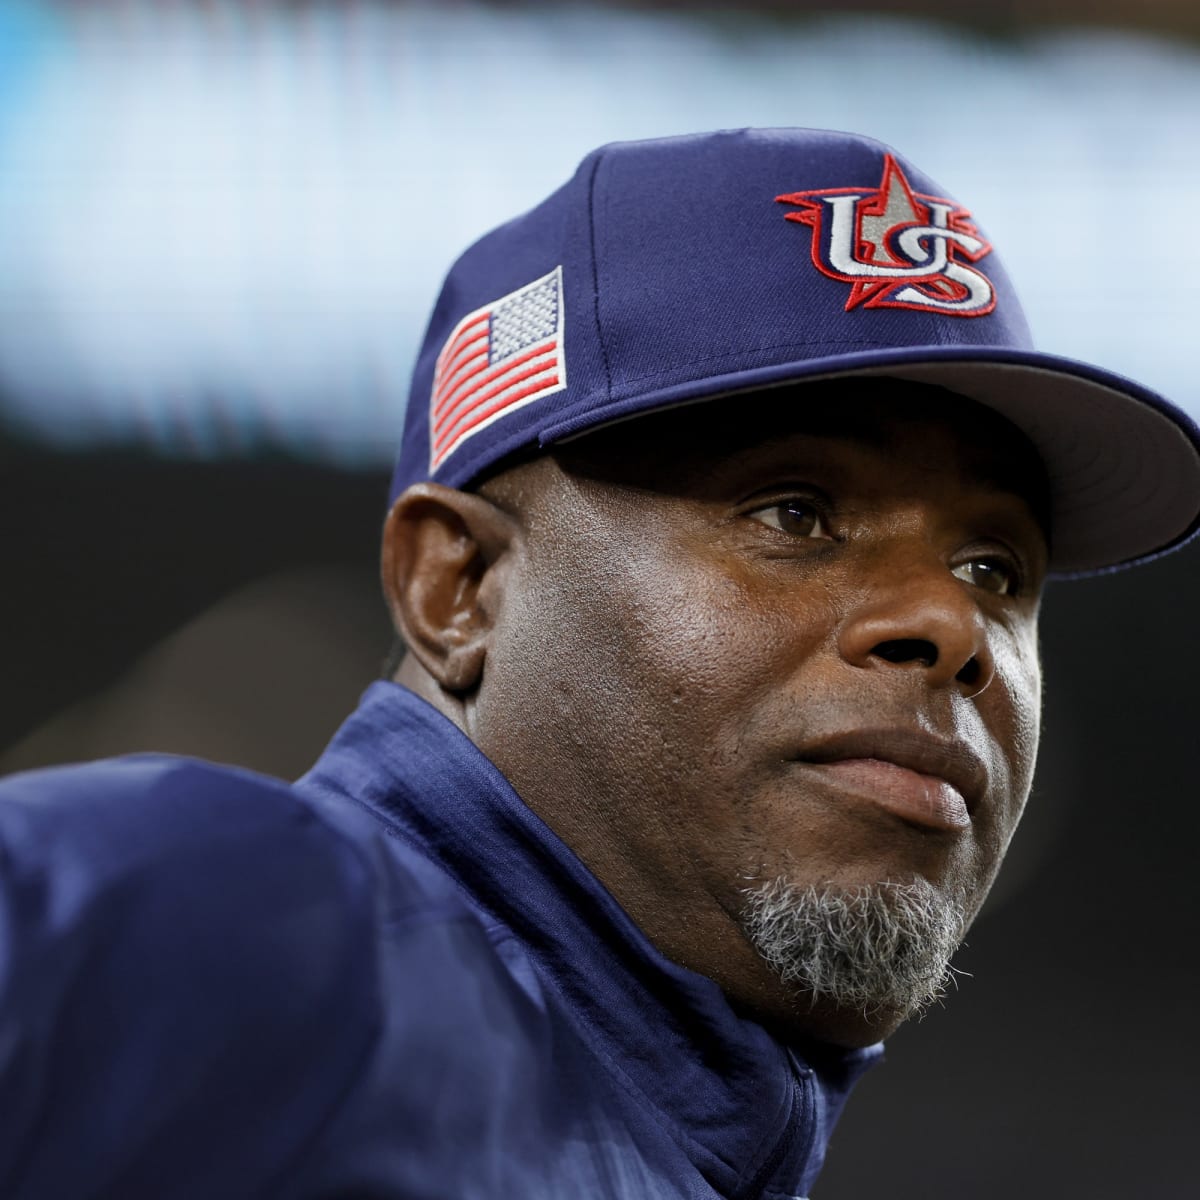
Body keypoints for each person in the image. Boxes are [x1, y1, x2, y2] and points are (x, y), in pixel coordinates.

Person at [2, 128, 1198, 1200]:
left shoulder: (646, 1127)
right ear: (457, 588)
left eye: (996, 569)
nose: (950, 626)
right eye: (793, 513)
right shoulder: (194, 923)